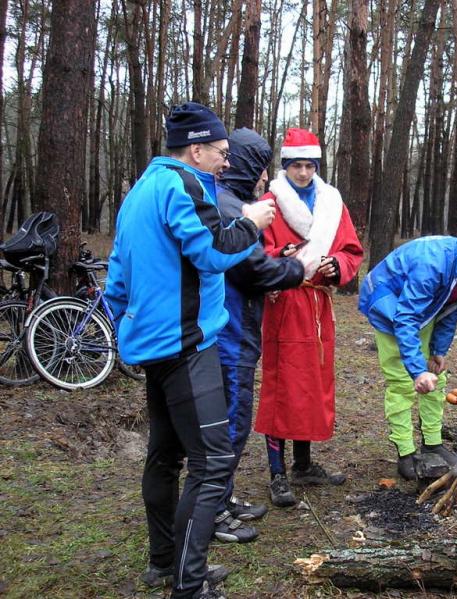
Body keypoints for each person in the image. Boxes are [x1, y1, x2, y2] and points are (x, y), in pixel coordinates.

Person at [106, 102, 276, 599]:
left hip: (154, 347)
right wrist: (252, 221)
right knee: (212, 463)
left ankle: (165, 563)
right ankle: (188, 583)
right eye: (221, 153)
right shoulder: (184, 184)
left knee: (164, 457)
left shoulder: (140, 190)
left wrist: (129, 331)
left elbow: (117, 277)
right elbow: (213, 251)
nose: (227, 162)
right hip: (186, 346)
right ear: (196, 150)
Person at [252, 128, 364, 508]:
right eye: (296, 165)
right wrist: (280, 258)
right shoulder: (270, 202)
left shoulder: (332, 202)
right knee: (282, 387)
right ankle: (277, 473)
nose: (303, 172)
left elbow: (351, 249)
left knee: (312, 386)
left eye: (309, 165)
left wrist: (337, 266)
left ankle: (302, 464)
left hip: (318, 306)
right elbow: (256, 254)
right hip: (284, 303)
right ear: (286, 166)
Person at [213, 128, 306, 542]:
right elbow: (252, 270)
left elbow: (248, 263)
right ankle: (214, 512)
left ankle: (223, 498)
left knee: (230, 422)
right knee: (230, 424)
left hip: (233, 328)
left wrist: (274, 260)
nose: (266, 178)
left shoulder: (229, 201)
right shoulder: (231, 207)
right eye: (262, 168)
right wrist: (299, 269)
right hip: (229, 333)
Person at [358, 230, 457, 480]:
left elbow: (452, 312)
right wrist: (417, 370)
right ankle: (405, 452)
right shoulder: (431, 264)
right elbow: (405, 317)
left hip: (423, 310)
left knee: (436, 377)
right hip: (391, 306)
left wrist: (438, 351)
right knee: (402, 383)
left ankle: (432, 442)